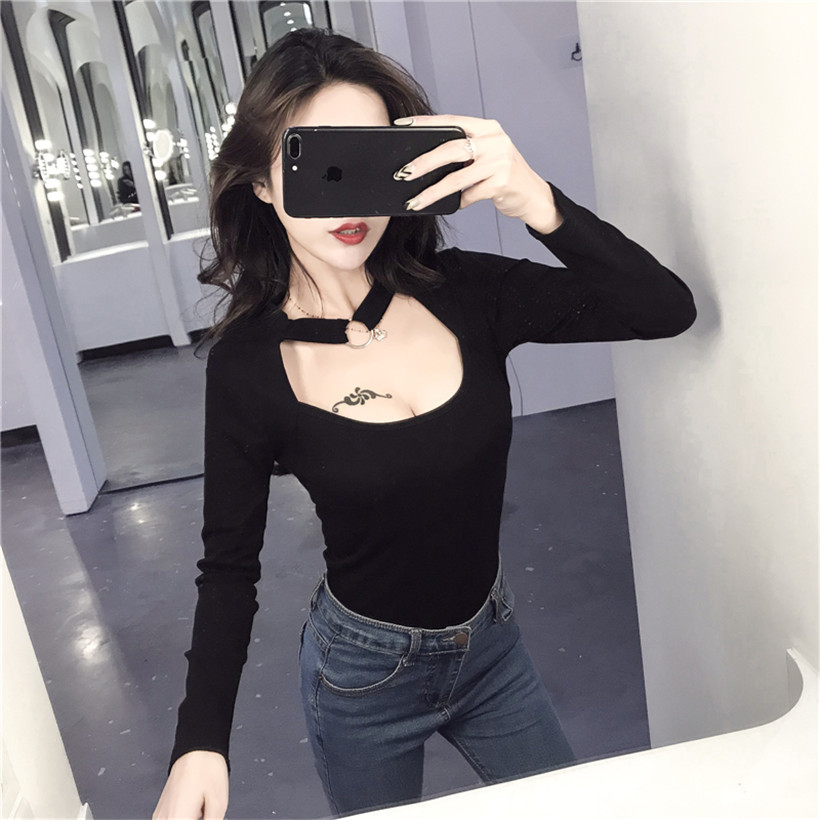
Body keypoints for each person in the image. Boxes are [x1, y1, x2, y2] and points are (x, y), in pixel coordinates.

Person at [152, 28, 696, 820]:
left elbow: (664, 310)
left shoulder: (464, 292)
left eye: (368, 160)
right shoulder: (247, 367)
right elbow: (229, 566)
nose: (352, 202)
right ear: (262, 183)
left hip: (492, 646)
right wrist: (199, 743)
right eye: (318, 164)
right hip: (360, 677)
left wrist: (534, 199)